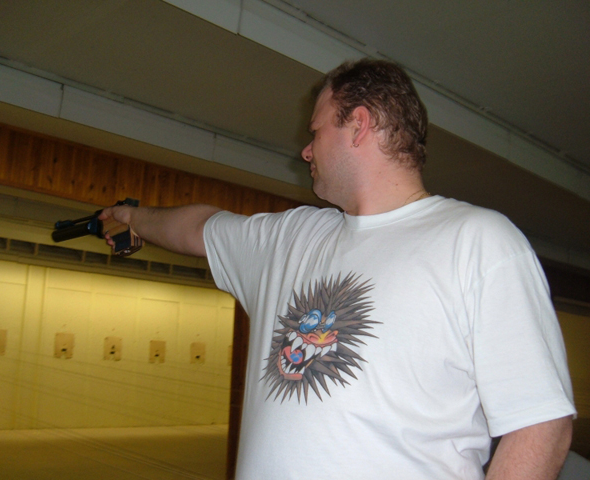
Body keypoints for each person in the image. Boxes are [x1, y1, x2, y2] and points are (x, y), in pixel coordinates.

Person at [99, 58, 576, 479]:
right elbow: (197, 228)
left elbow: (542, 426)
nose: (305, 151)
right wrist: (132, 217)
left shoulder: (478, 241)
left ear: (359, 125)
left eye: (316, 132)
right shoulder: (290, 237)